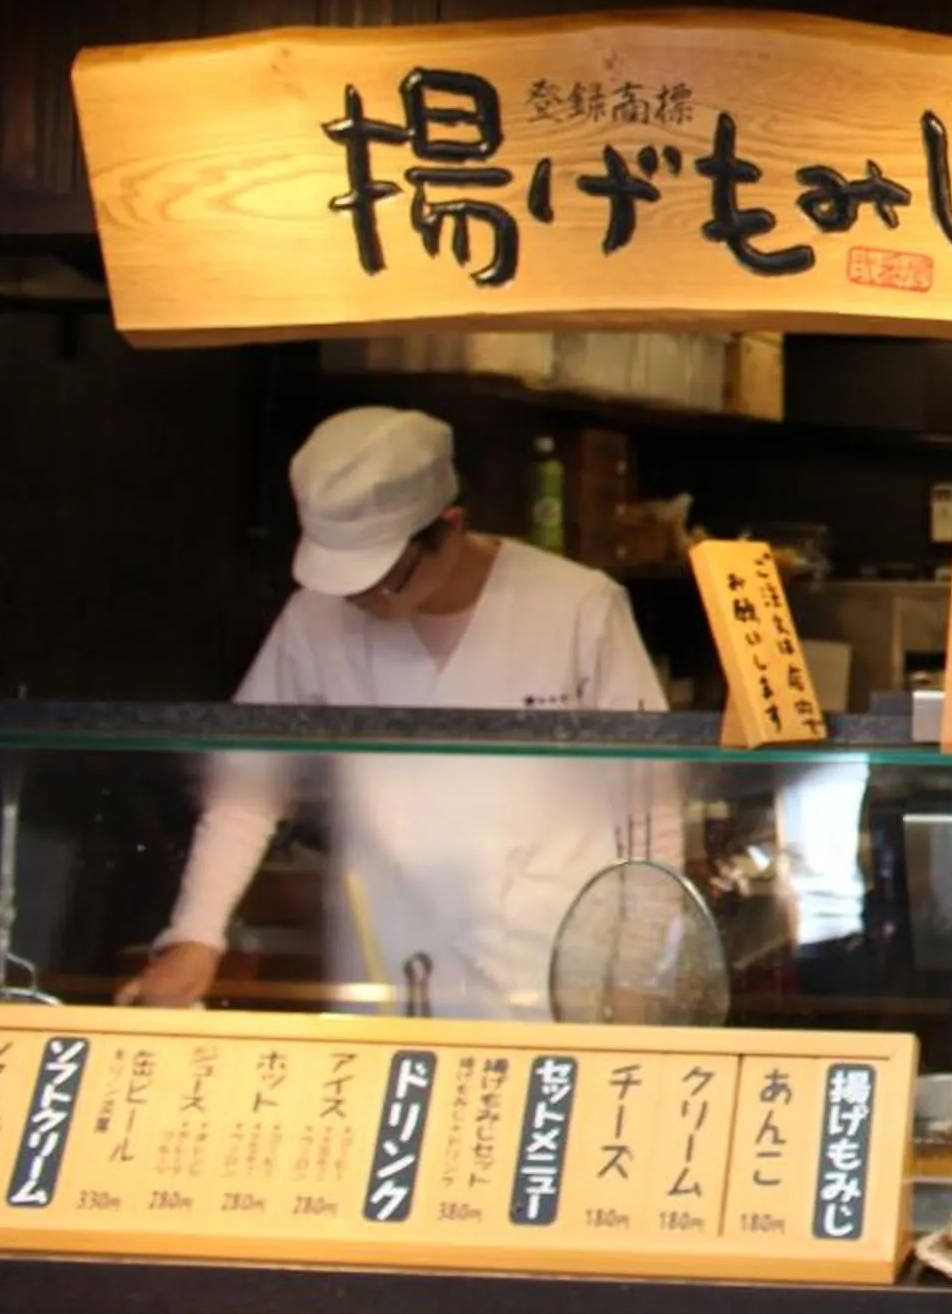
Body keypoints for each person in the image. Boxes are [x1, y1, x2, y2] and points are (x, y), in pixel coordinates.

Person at [121, 407, 674, 1021]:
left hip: (556, 964)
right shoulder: (315, 618)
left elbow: (647, 799)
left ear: (451, 526)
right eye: (346, 582)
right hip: (386, 963)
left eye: (384, 578)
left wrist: (642, 965)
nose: (363, 600)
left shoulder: (576, 606)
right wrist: (196, 933)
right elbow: (249, 786)